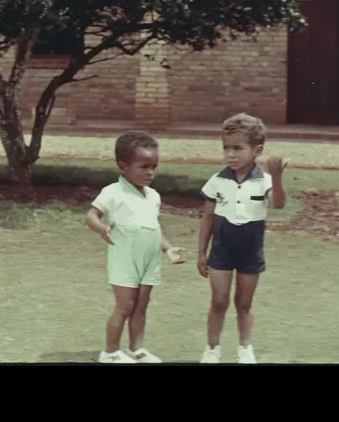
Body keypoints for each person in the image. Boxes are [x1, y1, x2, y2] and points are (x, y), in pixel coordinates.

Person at [86, 130, 185, 363]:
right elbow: (91, 215)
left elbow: (152, 227)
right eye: (144, 166)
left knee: (141, 305)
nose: (150, 172)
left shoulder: (153, 196)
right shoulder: (113, 192)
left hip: (149, 259)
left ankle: (136, 349)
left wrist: (168, 249)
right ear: (123, 166)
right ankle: (109, 352)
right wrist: (101, 228)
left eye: (154, 166)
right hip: (125, 257)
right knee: (125, 306)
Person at [197, 113, 286, 364]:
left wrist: (277, 178)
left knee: (244, 302)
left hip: (250, 252)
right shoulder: (217, 181)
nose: (230, 154)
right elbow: (207, 219)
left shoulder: (265, 181)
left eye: (238, 148)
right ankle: (212, 349)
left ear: (257, 150)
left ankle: (245, 349)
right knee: (219, 300)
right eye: (226, 148)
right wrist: (201, 253)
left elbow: (278, 204)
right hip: (221, 252)